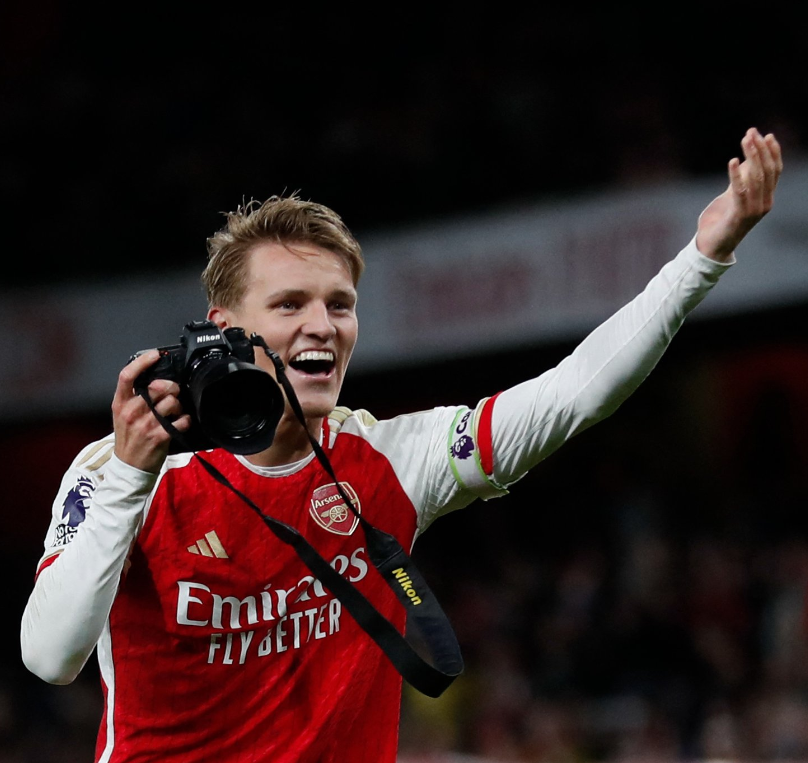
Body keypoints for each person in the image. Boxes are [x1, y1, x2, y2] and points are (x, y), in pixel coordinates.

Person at [21, 127, 782, 763]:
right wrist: (127, 472)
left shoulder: (392, 457)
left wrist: (702, 259)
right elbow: (51, 657)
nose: (322, 324)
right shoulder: (123, 470)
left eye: (340, 304)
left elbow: (574, 392)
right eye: (290, 304)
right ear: (226, 328)